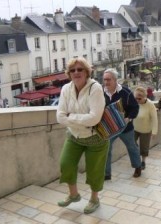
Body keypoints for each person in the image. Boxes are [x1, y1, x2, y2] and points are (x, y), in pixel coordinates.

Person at [56, 57, 109, 214]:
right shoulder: (66, 89)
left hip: (96, 138)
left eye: (80, 69)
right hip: (74, 136)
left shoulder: (95, 88)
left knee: (95, 171)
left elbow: (94, 118)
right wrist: (81, 120)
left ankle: (94, 198)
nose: (76, 72)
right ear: (69, 73)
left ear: (87, 72)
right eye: (72, 70)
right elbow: (59, 116)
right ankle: (74, 194)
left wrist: (70, 117)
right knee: (65, 164)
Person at [103, 68, 142, 180]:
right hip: (109, 129)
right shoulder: (101, 92)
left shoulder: (126, 92)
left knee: (132, 147)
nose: (106, 82)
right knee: (106, 150)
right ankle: (107, 174)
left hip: (125, 127)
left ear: (115, 80)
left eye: (108, 79)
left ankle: (137, 167)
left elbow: (135, 108)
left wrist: (128, 118)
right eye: (104, 80)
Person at [133, 86, 158, 170]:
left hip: (146, 129)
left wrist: (154, 131)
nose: (137, 100)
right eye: (136, 98)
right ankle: (136, 158)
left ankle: (143, 161)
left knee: (144, 147)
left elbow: (155, 119)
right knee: (132, 144)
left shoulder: (150, 105)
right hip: (134, 128)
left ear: (145, 97)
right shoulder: (134, 102)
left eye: (139, 99)